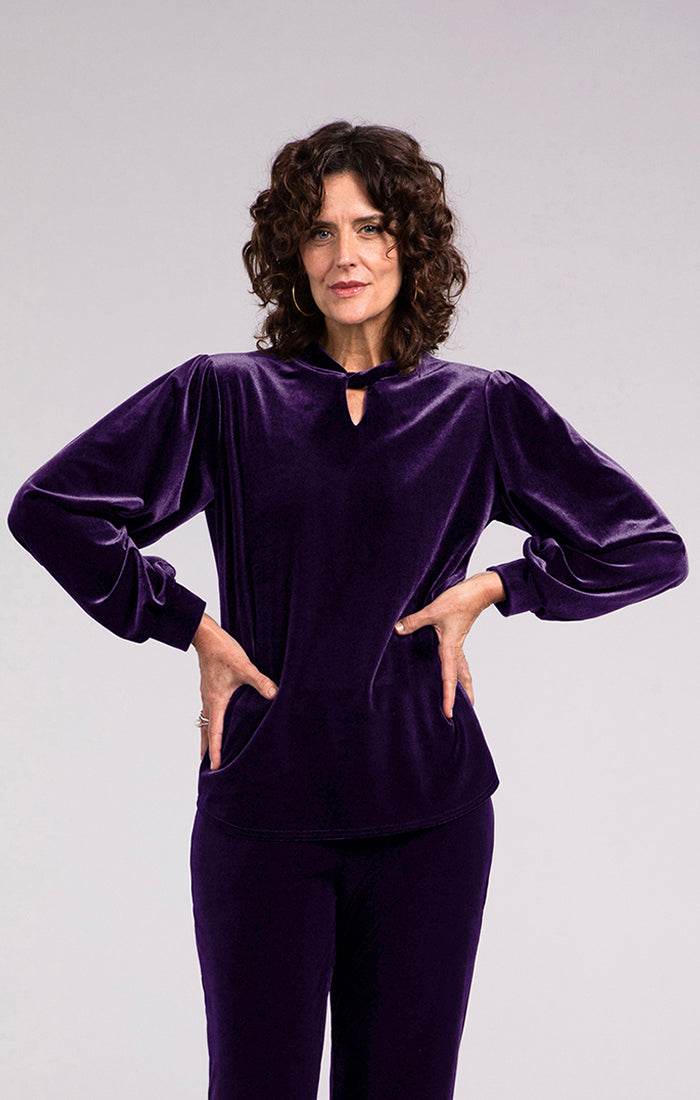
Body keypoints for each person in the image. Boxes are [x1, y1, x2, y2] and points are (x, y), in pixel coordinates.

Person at [7, 120, 689, 1099]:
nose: (346, 255)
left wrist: (500, 587)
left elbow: (647, 547)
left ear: (411, 245)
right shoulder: (225, 395)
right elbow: (54, 509)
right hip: (262, 808)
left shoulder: (480, 408)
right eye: (320, 231)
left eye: (370, 227)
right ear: (293, 252)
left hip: (430, 813)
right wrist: (185, 621)